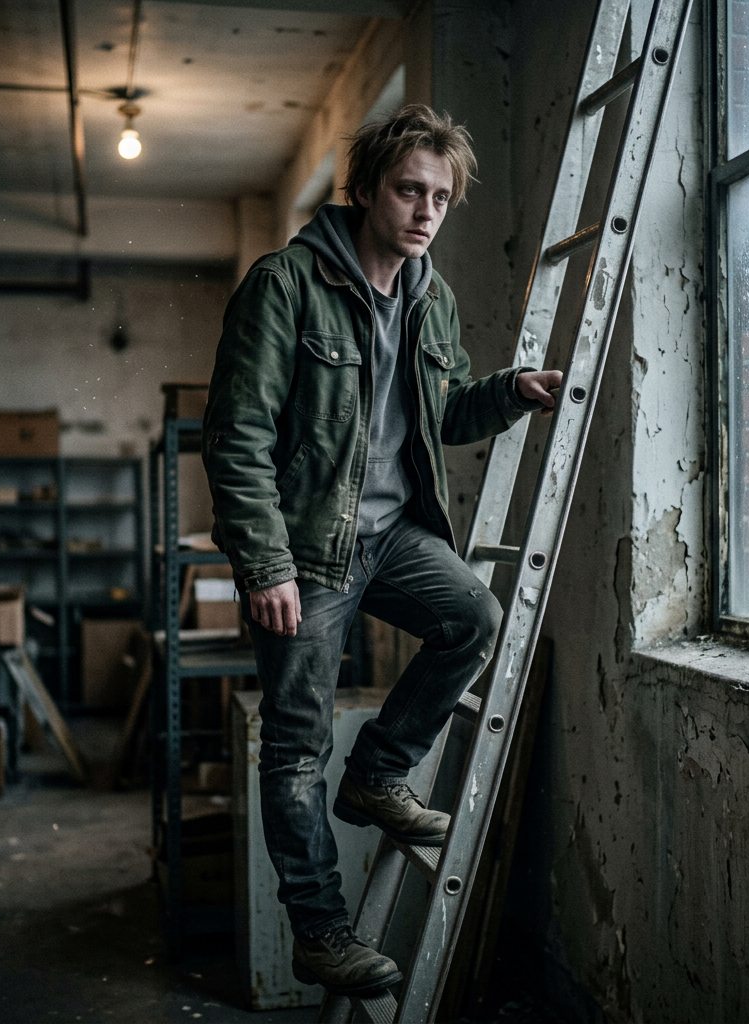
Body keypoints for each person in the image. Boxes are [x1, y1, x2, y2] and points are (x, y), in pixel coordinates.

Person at [202, 103, 562, 996]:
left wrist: (509, 391)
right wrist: (266, 563)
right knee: (292, 749)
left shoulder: (429, 296)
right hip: (311, 553)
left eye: (441, 195)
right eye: (409, 189)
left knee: (473, 616)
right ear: (365, 189)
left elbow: (438, 414)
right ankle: (320, 931)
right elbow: (236, 436)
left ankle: (379, 774)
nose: (427, 209)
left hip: (395, 536)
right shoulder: (284, 285)